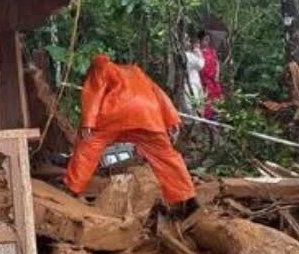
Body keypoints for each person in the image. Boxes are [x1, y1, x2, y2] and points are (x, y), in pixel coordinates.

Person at [65, 54, 199, 217]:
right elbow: (158, 93)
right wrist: (171, 121)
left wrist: (88, 121)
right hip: (148, 116)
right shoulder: (138, 73)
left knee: (89, 146)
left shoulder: (102, 65)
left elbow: (95, 90)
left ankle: (73, 189)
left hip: (115, 113)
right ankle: (189, 198)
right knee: (166, 157)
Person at [198, 31, 223, 119]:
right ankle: (207, 118)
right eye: (205, 39)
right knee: (206, 98)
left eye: (208, 40)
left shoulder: (212, 51)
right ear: (200, 40)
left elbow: (217, 63)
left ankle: (217, 116)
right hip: (204, 79)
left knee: (216, 98)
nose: (207, 42)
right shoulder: (198, 52)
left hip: (213, 79)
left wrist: (217, 74)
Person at [184, 34, 206, 116]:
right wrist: (199, 54)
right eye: (187, 40)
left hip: (192, 82)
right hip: (191, 84)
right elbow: (201, 65)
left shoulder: (188, 54)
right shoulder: (187, 55)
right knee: (193, 107)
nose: (189, 43)